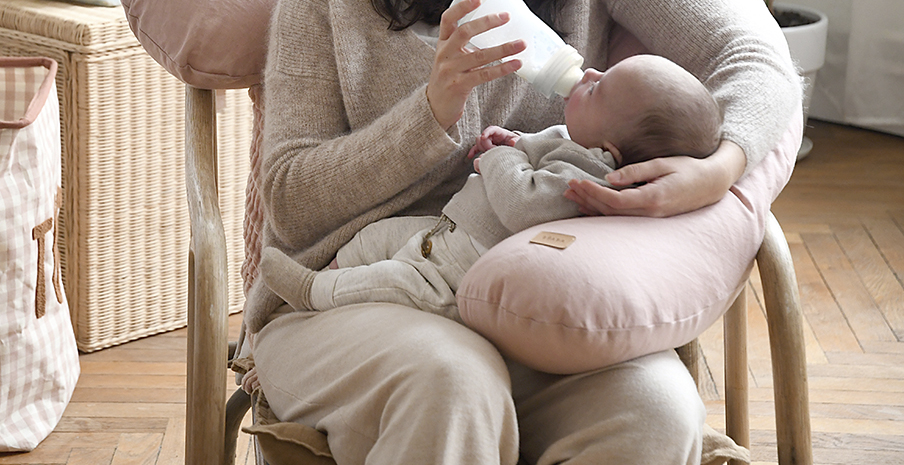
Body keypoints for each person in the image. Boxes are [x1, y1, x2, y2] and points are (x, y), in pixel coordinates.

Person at [245, 0, 799, 465]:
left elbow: (757, 54)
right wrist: (432, 111)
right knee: (453, 382)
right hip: (350, 292)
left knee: (657, 407)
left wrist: (717, 169)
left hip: (537, 302)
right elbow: (293, 201)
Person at [259, 54, 722, 321]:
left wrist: (499, 156)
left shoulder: (590, 174)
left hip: (459, 271)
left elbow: (526, 203)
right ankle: (331, 271)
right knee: (375, 237)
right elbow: (541, 151)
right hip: (446, 233)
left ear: (610, 150)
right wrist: (516, 142)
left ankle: (316, 293)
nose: (589, 75)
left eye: (599, 90)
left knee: (391, 281)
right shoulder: (576, 144)